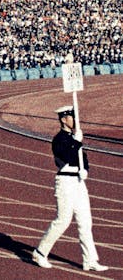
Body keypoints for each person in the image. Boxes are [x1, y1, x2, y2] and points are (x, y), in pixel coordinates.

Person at [31, 105, 108, 272]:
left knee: (85, 221)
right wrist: (76, 142)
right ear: (64, 119)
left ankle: (90, 260)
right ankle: (40, 252)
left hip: (79, 182)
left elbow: (83, 158)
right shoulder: (59, 139)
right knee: (63, 220)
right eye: (72, 117)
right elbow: (66, 156)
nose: (75, 120)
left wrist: (85, 169)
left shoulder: (74, 138)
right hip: (65, 182)